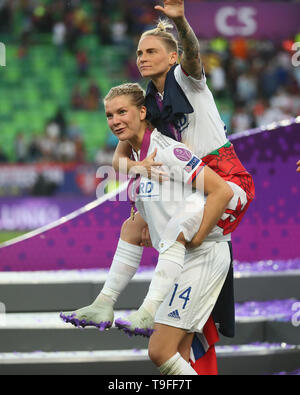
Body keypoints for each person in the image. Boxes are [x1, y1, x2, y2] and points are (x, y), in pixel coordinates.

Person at [62, 83, 233, 375]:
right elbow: (142, 224)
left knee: (160, 351)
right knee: (177, 352)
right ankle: (105, 303)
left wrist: (198, 236)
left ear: (142, 112)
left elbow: (222, 191)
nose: (114, 120)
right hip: (181, 262)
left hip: (202, 259)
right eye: (109, 115)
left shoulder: (169, 152)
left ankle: (139, 309)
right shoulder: (139, 160)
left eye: (121, 112)